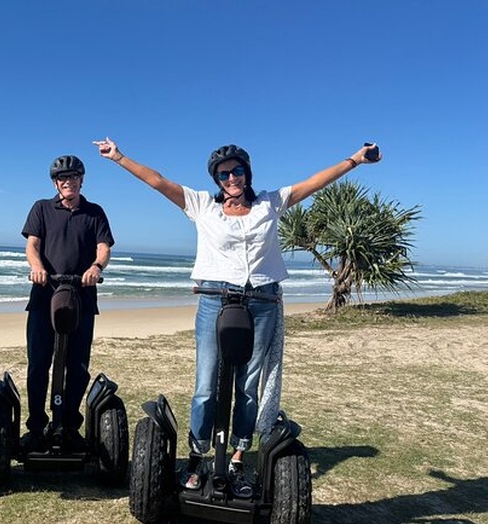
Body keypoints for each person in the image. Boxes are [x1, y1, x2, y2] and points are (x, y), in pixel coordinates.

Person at [94, 137, 380, 495]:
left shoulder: (270, 203)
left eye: (237, 171)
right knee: (205, 386)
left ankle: (239, 458)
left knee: (248, 385)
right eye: (224, 174)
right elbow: (158, 181)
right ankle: (197, 457)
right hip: (215, 300)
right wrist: (118, 156)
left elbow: (314, 183)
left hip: (261, 301)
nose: (232, 178)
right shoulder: (201, 205)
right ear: (216, 179)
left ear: (247, 174)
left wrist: (355, 159)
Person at [20, 154, 115, 453]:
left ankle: (69, 426)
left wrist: (96, 268)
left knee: (78, 366)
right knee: (38, 364)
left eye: (73, 177)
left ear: (81, 180)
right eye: (62, 178)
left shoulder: (94, 212)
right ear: (55, 183)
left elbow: (103, 248)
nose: (68, 182)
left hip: (81, 298)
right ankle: (37, 426)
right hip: (44, 297)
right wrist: (37, 268)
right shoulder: (42, 208)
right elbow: (32, 245)